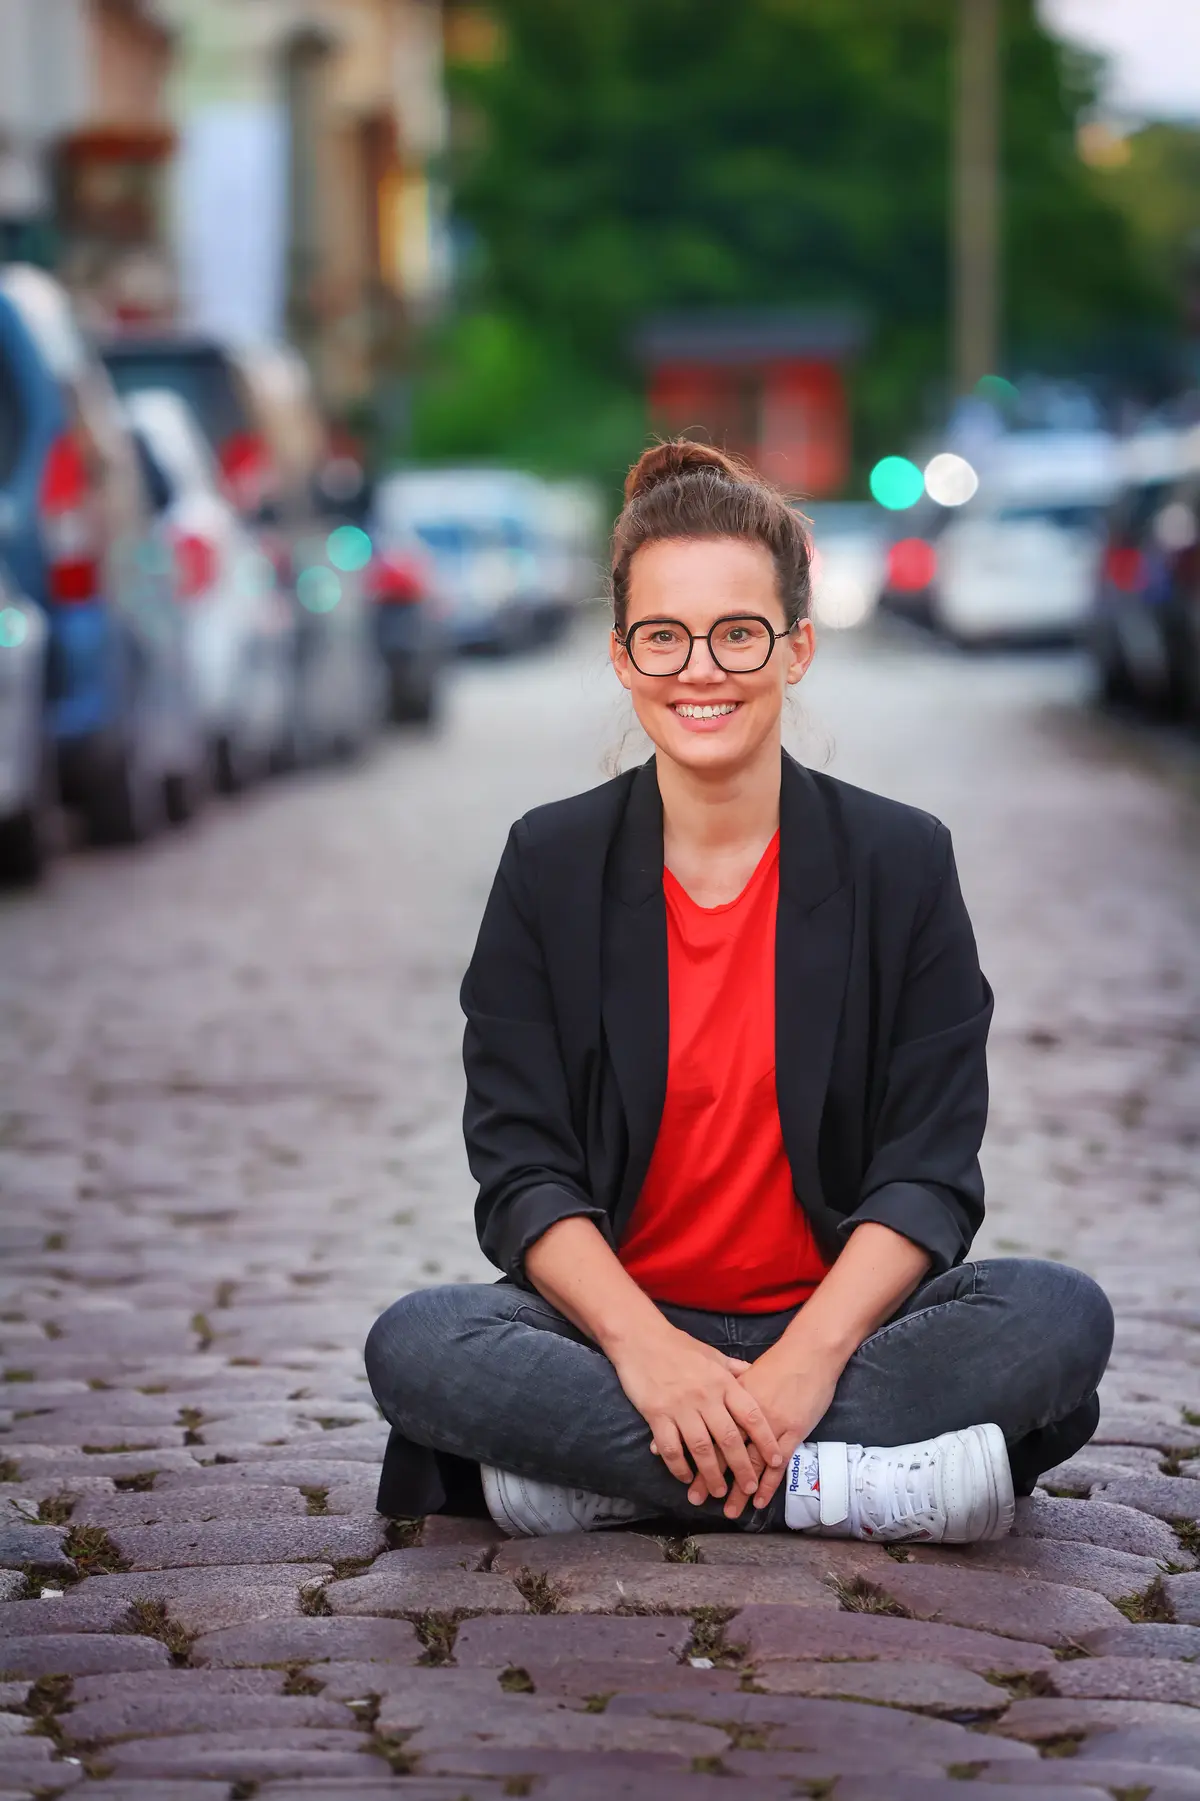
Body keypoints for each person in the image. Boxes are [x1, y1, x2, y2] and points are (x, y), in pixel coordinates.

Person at [366, 440, 1113, 1541]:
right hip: (615, 1338)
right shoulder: (548, 862)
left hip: (843, 1331)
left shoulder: (901, 861)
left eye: (738, 633)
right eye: (664, 635)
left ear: (796, 645)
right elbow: (521, 1173)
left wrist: (805, 1362)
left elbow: (928, 1173)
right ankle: (839, 1486)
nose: (699, 669)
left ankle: (611, 1483)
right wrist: (649, 1354)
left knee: (1055, 1316)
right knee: (420, 1342)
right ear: (622, 655)